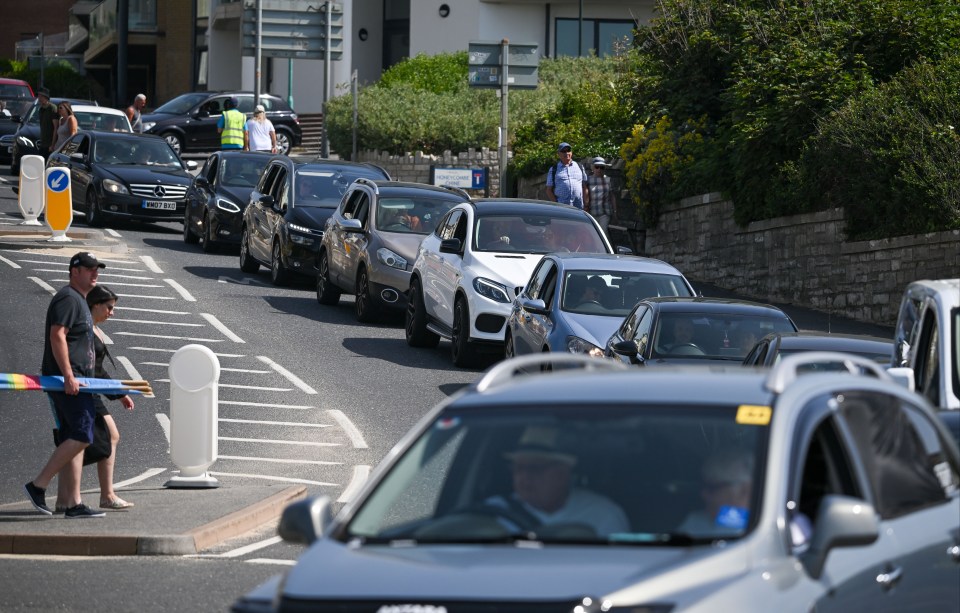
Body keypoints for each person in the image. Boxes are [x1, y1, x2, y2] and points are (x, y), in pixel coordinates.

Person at [24, 252, 108, 519]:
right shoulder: (69, 298)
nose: (95, 273)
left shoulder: (80, 300)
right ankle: (38, 485)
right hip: (69, 382)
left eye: (97, 269)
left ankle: (72, 503)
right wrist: (69, 375)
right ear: (75, 271)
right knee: (83, 434)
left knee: (76, 436)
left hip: (78, 381)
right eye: (89, 269)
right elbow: (57, 335)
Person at [56, 285, 135, 511]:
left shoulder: (93, 328)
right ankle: (97, 496)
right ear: (96, 305)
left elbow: (96, 367)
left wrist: (118, 393)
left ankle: (75, 497)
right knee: (83, 440)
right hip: (84, 389)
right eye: (109, 307)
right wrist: (119, 393)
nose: (112, 312)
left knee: (94, 438)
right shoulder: (85, 329)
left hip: (91, 389)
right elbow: (93, 368)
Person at [485, 426, 629, 537]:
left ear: (562, 473)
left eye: (534, 468)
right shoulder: (492, 514)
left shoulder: (603, 514)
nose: (523, 476)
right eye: (518, 468)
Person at [677, 448, 754, 537]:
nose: (703, 494)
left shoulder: (761, 527)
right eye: (703, 486)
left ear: (745, 490)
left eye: (712, 488)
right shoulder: (695, 523)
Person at [545, 142, 590, 210]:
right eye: (563, 151)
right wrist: (556, 204)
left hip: (578, 207)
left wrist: (586, 204)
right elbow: (549, 190)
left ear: (571, 152)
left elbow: (584, 187)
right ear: (559, 154)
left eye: (568, 150)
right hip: (561, 208)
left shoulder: (580, 166)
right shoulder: (554, 169)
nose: (566, 153)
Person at [586, 156, 617, 238]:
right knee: (593, 235)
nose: (599, 169)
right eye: (597, 167)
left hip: (605, 212)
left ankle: (607, 251)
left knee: (603, 233)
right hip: (591, 212)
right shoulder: (588, 180)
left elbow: (612, 196)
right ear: (593, 168)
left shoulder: (608, 180)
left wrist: (614, 212)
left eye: (602, 167)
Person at [35, 87, 59, 160]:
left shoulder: (52, 108)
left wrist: (52, 145)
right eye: (38, 95)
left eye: (40, 96)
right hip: (43, 143)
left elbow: (56, 127)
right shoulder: (41, 109)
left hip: (50, 145)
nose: (38, 97)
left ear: (45, 97)